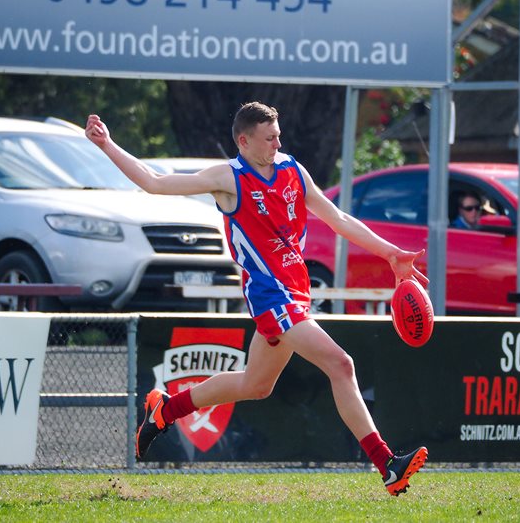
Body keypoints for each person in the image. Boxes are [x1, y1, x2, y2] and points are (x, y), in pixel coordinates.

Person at [85, 102, 429, 496]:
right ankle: (387, 464)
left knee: (256, 384)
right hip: (269, 296)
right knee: (341, 364)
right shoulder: (228, 178)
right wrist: (108, 144)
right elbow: (155, 182)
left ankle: (166, 410)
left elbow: (339, 219)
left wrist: (390, 254)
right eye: (270, 137)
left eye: (279, 134)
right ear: (244, 141)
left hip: (296, 291)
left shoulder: (292, 170)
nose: (278, 142)